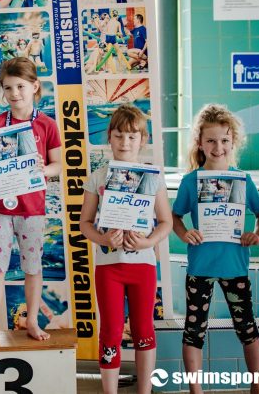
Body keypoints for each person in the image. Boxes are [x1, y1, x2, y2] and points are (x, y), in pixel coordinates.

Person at [172, 104, 259, 394]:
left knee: (247, 328)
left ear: (233, 141)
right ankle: (195, 390)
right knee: (194, 330)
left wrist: (257, 235)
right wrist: (185, 233)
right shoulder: (190, 182)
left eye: (224, 140)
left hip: (235, 266)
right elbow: (175, 217)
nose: (218, 147)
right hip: (200, 267)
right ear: (200, 143)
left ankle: (258, 386)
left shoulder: (243, 180)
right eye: (211, 140)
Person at [79, 104, 172, 394]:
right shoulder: (98, 177)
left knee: (144, 329)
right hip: (109, 267)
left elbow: (166, 222)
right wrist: (104, 240)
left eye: (132, 136)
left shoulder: (153, 177)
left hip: (143, 266)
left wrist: (148, 242)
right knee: (110, 330)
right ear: (109, 136)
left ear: (143, 140)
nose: (125, 142)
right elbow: (84, 223)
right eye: (119, 135)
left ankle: (144, 390)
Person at [0, 57, 61, 344]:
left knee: (33, 269)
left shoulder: (47, 124)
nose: (14, 93)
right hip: (0, 209)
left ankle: (33, 322)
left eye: (20, 86)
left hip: (32, 210)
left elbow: (58, 165)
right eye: (8, 88)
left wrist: (43, 169)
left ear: (34, 86)